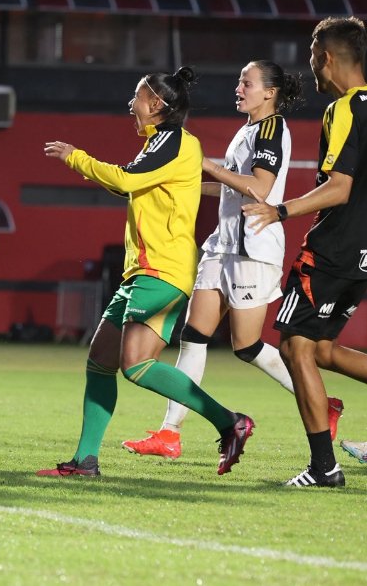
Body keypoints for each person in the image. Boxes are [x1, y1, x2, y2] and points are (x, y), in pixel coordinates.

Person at [122, 60, 346, 458]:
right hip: (221, 246)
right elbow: (229, 189)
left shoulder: (273, 128)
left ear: (269, 92)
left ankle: (323, 403)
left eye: (247, 82)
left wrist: (203, 164)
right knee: (193, 336)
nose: (238, 88)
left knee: (245, 345)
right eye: (239, 80)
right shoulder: (247, 130)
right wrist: (185, 182)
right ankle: (169, 434)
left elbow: (259, 188)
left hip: (253, 248)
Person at [39, 67, 254, 478]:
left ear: (156, 104)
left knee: (134, 364)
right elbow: (131, 183)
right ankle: (85, 461)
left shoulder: (176, 142)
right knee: (100, 360)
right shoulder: (159, 142)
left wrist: (76, 158)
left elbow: (124, 182)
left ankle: (230, 421)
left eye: (136, 97)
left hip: (163, 271)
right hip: (141, 272)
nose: (130, 104)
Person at [244, 16, 367, 488]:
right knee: (321, 350)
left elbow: (338, 188)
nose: (310, 67)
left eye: (314, 57)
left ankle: (323, 468)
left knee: (295, 346)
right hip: (364, 255)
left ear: (328, 58)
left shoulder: (344, 110)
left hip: (334, 250)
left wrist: (282, 210)